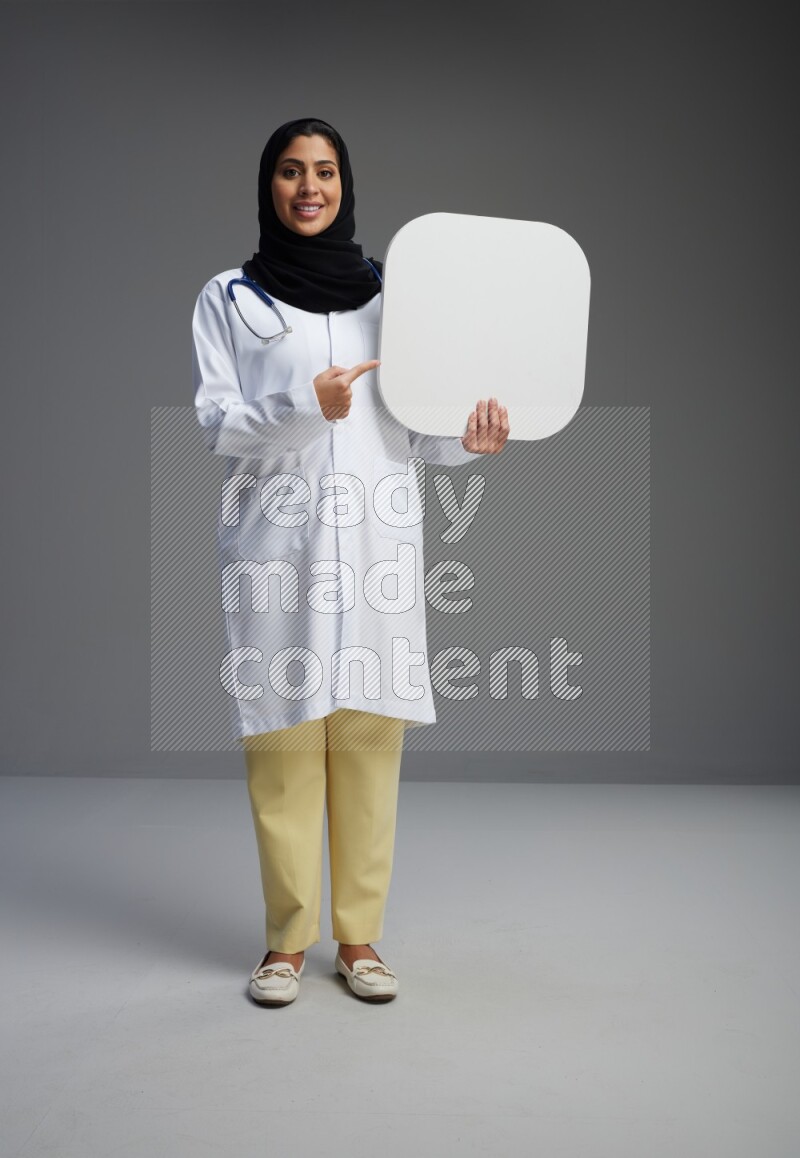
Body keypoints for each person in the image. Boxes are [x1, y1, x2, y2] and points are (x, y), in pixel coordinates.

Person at [191, 117, 509, 1006]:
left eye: (324, 171)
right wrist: (304, 403)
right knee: (285, 744)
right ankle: (286, 944)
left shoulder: (392, 296)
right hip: (278, 548)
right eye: (291, 172)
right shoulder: (229, 297)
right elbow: (217, 422)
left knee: (370, 742)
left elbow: (419, 431)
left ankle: (360, 940)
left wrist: (472, 441)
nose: (308, 188)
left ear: (345, 183)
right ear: (269, 185)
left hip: (376, 544)